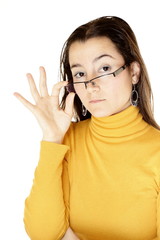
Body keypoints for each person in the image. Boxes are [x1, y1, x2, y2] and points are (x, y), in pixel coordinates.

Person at [14, 16, 160, 240]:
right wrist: (52, 139)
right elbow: (43, 233)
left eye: (104, 67)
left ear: (134, 72)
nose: (91, 85)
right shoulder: (67, 140)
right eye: (80, 73)